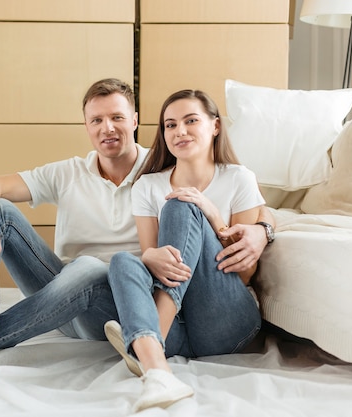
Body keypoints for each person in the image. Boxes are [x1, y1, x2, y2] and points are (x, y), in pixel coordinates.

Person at [0, 79, 274, 373]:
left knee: (93, 267)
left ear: (136, 121)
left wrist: (264, 228)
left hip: (122, 301)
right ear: (86, 126)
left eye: (118, 117)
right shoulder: (71, 172)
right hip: (62, 292)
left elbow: (249, 207)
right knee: (0, 212)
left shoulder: (161, 170)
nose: (108, 128)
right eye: (97, 120)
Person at [104, 89, 272, 412]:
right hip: (181, 328)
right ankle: (158, 368)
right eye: (169, 125)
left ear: (215, 127)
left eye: (190, 121)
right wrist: (147, 256)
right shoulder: (147, 186)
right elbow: (157, 264)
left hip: (227, 317)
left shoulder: (239, 179)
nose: (179, 131)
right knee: (123, 261)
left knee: (182, 205)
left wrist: (211, 213)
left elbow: (246, 272)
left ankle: (148, 342)